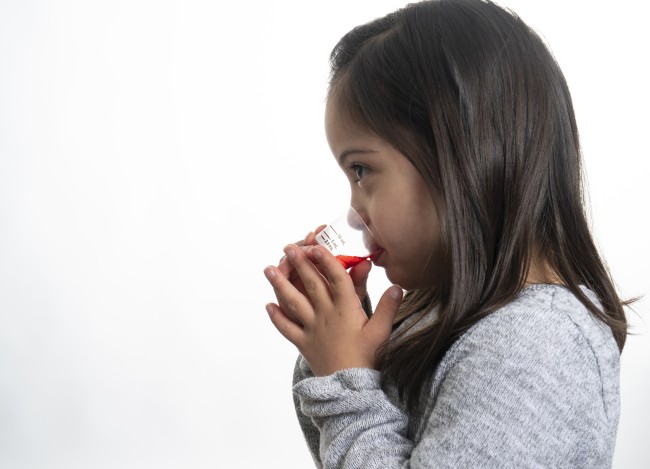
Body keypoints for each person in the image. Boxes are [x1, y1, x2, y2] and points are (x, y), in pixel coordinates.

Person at [263, 0, 636, 466]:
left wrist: (345, 380)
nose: (355, 212)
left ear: (460, 155)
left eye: (361, 170)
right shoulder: (448, 315)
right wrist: (340, 344)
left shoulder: (537, 344)